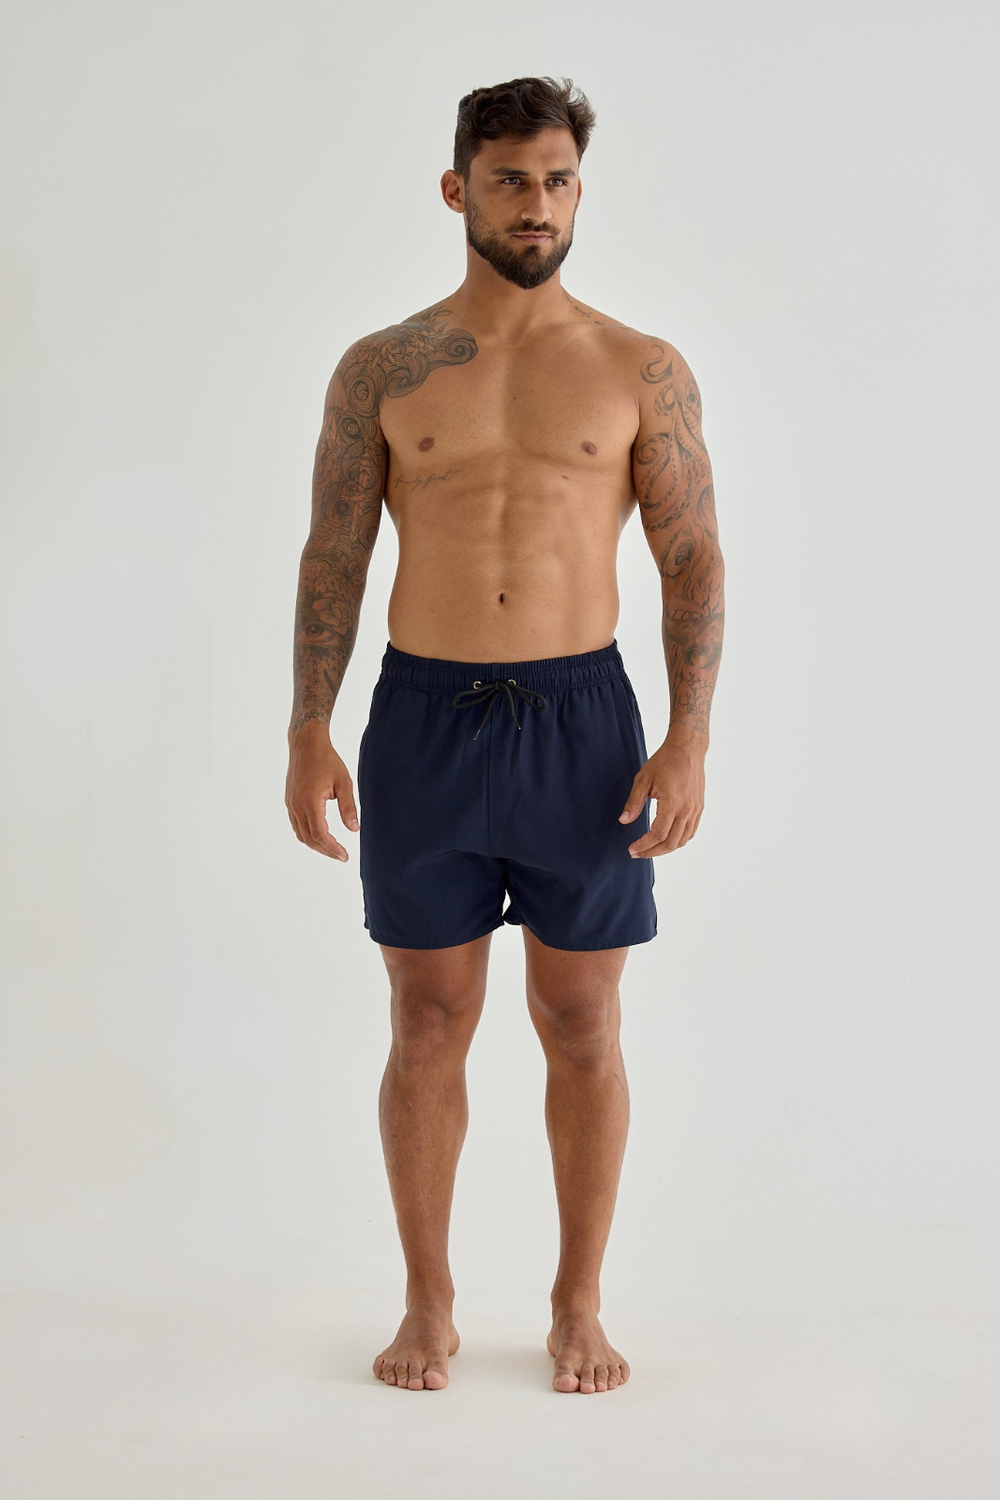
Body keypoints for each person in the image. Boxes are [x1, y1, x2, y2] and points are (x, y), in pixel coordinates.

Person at [285, 75, 725, 1395]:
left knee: (583, 1020)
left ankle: (578, 1305)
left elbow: (693, 560)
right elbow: (335, 552)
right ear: (457, 189)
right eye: (510, 180)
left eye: (557, 180)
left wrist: (690, 736)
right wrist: (308, 727)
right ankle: (428, 1303)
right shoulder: (383, 368)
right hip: (423, 719)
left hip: (583, 725)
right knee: (426, 1018)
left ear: (579, 191)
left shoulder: (641, 368)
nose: (537, 204)